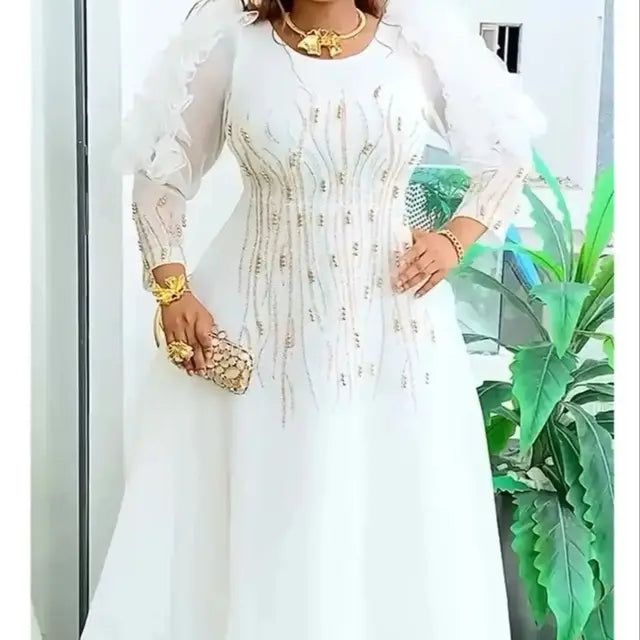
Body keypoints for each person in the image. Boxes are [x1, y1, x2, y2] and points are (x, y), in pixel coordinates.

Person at [82, 0, 545, 638]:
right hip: (260, 330)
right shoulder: (234, 46)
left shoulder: (414, 45)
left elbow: (506, 149)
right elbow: (161, 172)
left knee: (395, 512)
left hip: (395, 336)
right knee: (271, 509)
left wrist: (452, 239)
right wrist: (171, 287)